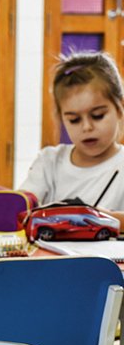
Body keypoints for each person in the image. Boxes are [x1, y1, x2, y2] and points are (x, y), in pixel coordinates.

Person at [20, 51, 124, 225]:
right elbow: (21, 213)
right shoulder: (49, 162)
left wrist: (104, 217)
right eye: (74, 120)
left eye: (98, 115)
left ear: (120, 108)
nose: (87, 127)